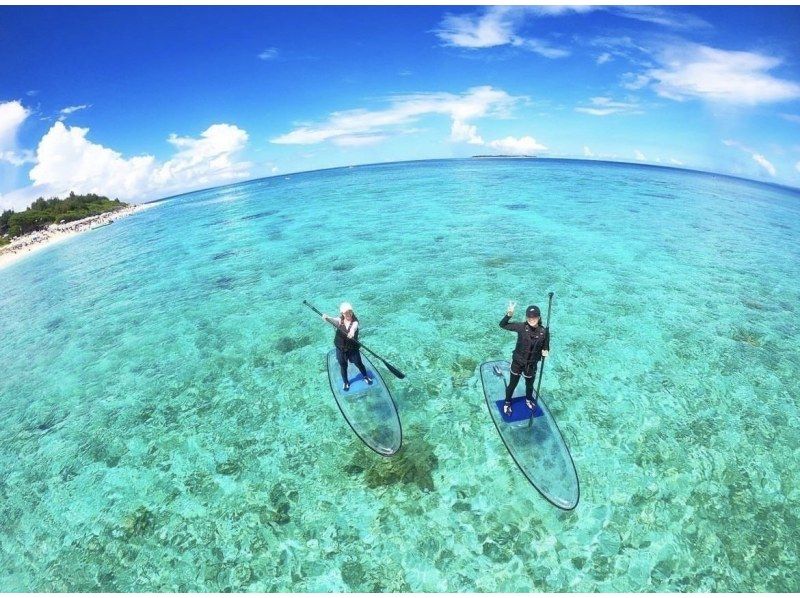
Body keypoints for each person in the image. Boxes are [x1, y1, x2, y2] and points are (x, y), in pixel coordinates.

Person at [499, 301, 550, 416]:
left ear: (539, 317)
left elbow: (546, 347)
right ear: (526, 317)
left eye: (534, 317)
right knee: (512, 384)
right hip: (517, 362)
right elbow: (502, 325)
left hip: (531, 365)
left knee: (530, 385)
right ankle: (507, 402)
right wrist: (509, 314)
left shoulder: (544, 332)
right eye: (529, 317)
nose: (532, 320)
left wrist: (546, 352)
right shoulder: (521, 327)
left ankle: (528, 399)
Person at [322, 302, 373, 391]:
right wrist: (326, 318)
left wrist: (352, 332)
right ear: (342, 313)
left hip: (353, 349)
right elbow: (333, 320)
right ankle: (346, 382)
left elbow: (354, 327)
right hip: (340, 349)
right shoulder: (339, 320)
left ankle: (365, 376)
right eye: (346, 312)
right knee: (343, 366)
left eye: (350, 312)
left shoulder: (355, 322)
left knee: (359, 364)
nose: (349, 314)